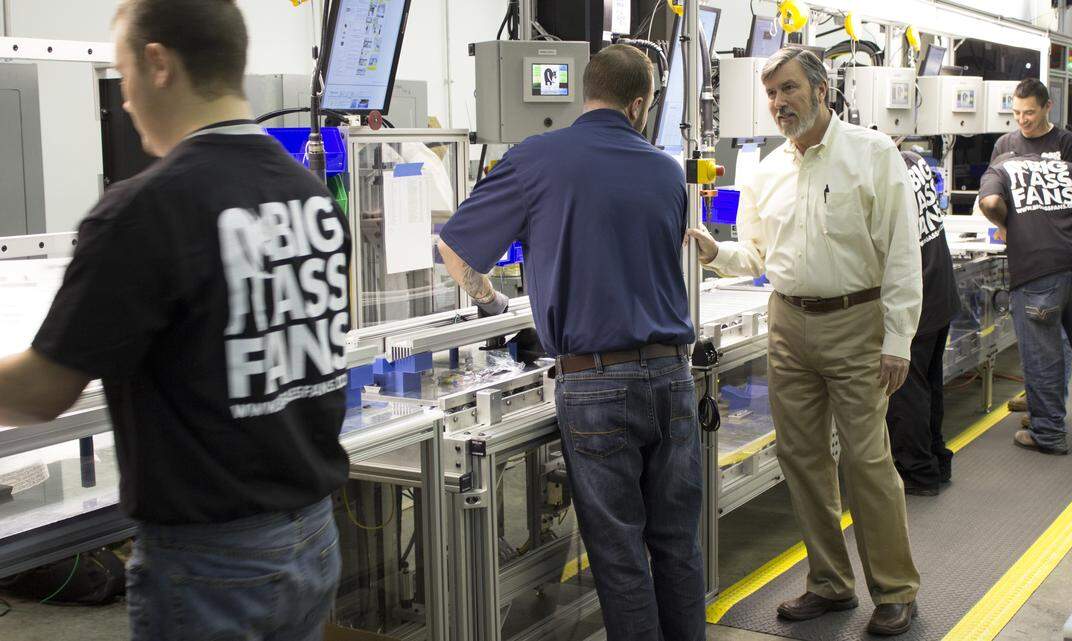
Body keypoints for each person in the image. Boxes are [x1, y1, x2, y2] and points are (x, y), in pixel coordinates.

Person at [0, 2, 350, 639]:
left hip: (214, 564)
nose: (124, 100)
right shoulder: (310, 195)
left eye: (123, 72)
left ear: (158, 64)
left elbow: (41, 391)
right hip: (313, 538)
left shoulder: (144, 209)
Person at [437, 45, 703, 641]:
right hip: (671, 378)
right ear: (640, 105)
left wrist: (493, 304)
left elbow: (454, 250)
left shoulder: (536, 158)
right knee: (678, 548)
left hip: (594, 385)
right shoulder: (666, 169)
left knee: (620, 555)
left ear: (587, 91)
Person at [687, 47, 922, 636]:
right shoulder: (766, 171)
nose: (778, 104)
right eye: (771, 94)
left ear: (821, 90)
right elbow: (760, 256)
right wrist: (717, 255)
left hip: (857, 323)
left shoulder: (871, 156)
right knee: (801, 459)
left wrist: (898, 337)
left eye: (788, 90)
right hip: (787, 324)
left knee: (867, 462)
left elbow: (901, 253)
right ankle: (829, 583)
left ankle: (895, 591)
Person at [978, 153, 1072, 455]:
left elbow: (991, 203)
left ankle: (1048, 433)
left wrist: (1010, 226)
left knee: (1043, 355)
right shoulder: (1067, 168)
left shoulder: (999, 170)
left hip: (1038, 270)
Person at [988, 78, 1072, 417]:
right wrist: (1003, 227)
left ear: (1048, 107)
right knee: (1030, 337)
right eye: (1016, 113)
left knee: (1054, 339)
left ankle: (1048, 410)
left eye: (1029, 113)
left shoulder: (1066, 144)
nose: (1023, 120)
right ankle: (1037, 396)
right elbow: (994, 194)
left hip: (1058, 258)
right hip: (1023, 258)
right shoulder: (1004, 144)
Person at [886, 151, 961, 496]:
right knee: (929, 384)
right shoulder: (914, 160)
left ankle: (918, 474)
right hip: (939, 289)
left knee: (905, 392)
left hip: (919, 296)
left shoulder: (885, 169)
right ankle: (937, 460)